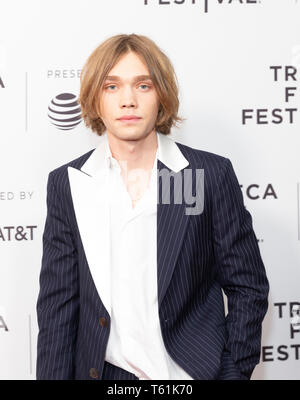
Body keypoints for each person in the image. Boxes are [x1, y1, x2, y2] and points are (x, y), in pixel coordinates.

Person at [36, 33, 269, 380]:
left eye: (142, 86)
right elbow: (57, 308)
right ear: (94, 99)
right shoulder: (70, 183)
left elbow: (247, 287)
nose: (127, 100)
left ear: (161, 95)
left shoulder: (201, 176)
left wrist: (231, 373)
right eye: (111, 86)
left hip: (190, 375)